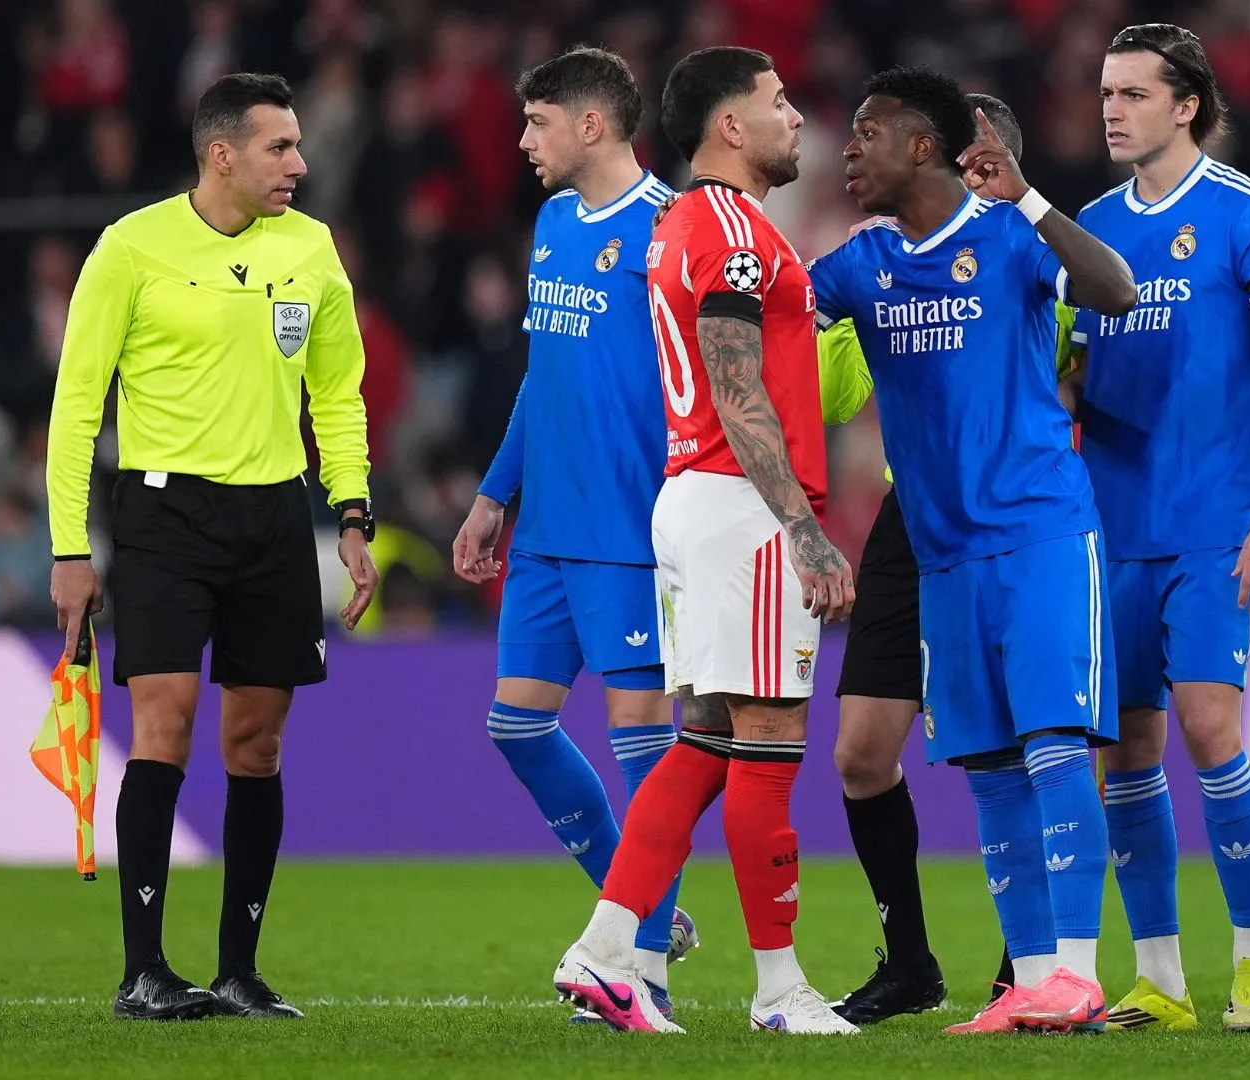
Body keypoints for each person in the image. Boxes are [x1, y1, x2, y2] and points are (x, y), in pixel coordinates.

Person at [806, 65, 1137, 1035]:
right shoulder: (860, 264)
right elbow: (771, 317)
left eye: (868, 132)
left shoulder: (1008, 238)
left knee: (1053, 745)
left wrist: (1029, 197)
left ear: (923, 146)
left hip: (1036, 532)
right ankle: (1030, 981)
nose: (849, 150)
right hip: (939, 552)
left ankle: (1076, 971)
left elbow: (1113, 290)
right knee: (990, 765)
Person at [45, 72, 380, 1021]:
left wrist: (351, 516)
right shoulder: (131, 249)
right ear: (221, 153)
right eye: (281, 148)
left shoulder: (311, 250)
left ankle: (239, 970)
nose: (301, 166)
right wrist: (73, 547)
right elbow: (76, 409)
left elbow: (338, 394)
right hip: (162, 518)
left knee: (257, 744)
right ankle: (143, 971)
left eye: (300, 145)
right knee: (166, 724)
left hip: (274, 519)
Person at [554, 46, 857, 1036]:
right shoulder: (728, 228)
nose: (794, 117)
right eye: (777, 101)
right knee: (767, 742)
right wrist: (805, 529)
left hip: (699, 499)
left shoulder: (691, 223)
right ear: (730, 125)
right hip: (742, 505)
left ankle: (603, 953)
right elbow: (738, 382)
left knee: (707, 740)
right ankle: (780, 991)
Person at [1071, 23, 1250, 1034]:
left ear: (1187, 105)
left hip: (1215, 520)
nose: (1111, 110)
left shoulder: (1249, 216)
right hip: (1111, 524)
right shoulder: (1087, 226)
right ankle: (1161, 981)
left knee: (1211, 726)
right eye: (1104, 93)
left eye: (1133, 93)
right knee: (1125, 752)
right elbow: (1073, 374)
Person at [448, 47, 691, 1023]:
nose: (522, 141)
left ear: (592, 126)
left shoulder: (669, 229)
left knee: (642, 746)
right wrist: (494, 496)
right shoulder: (552, 222)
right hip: (546, 531)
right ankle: (637, 911)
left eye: (537, 122)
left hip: (631, 533)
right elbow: (544, 376)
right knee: (516, 725)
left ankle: (643, 972)